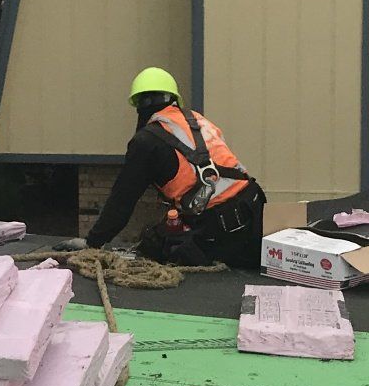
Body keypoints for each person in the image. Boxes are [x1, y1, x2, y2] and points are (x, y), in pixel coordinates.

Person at [52, 67, 267, 269]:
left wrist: (92, 242)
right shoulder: (196, 121)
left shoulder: (147, 141)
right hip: (254, 208)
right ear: (174, 99)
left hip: (220, 227)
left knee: (155, 245)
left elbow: (123, 199)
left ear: (139, 106)